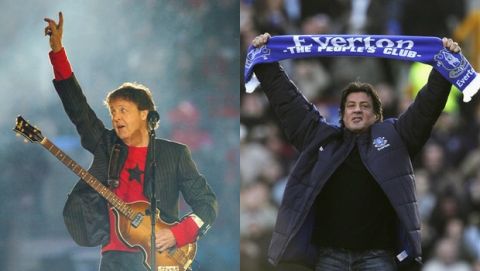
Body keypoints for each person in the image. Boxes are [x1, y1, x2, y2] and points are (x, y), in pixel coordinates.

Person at [250, 33, 462, 271]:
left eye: (364, 106)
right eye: (350, 106)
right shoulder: (320, 137)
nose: (357, 110)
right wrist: (266, 60)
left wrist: (446, 64)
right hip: (329, 257)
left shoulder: (397, 137)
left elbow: (427, 106)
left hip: (378, 257)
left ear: (376, 115)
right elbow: (287, 101)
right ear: (342, 115)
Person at [44, 12, 217, 271]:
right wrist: (58, 53)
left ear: (144, 112)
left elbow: (207, 203)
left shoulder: (175, 154)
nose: (116, 117)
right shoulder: (107, 146)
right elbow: (78, 109)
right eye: (112, 111)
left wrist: (178, 234)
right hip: (116, 258)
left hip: (164, 256)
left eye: (123, 110)